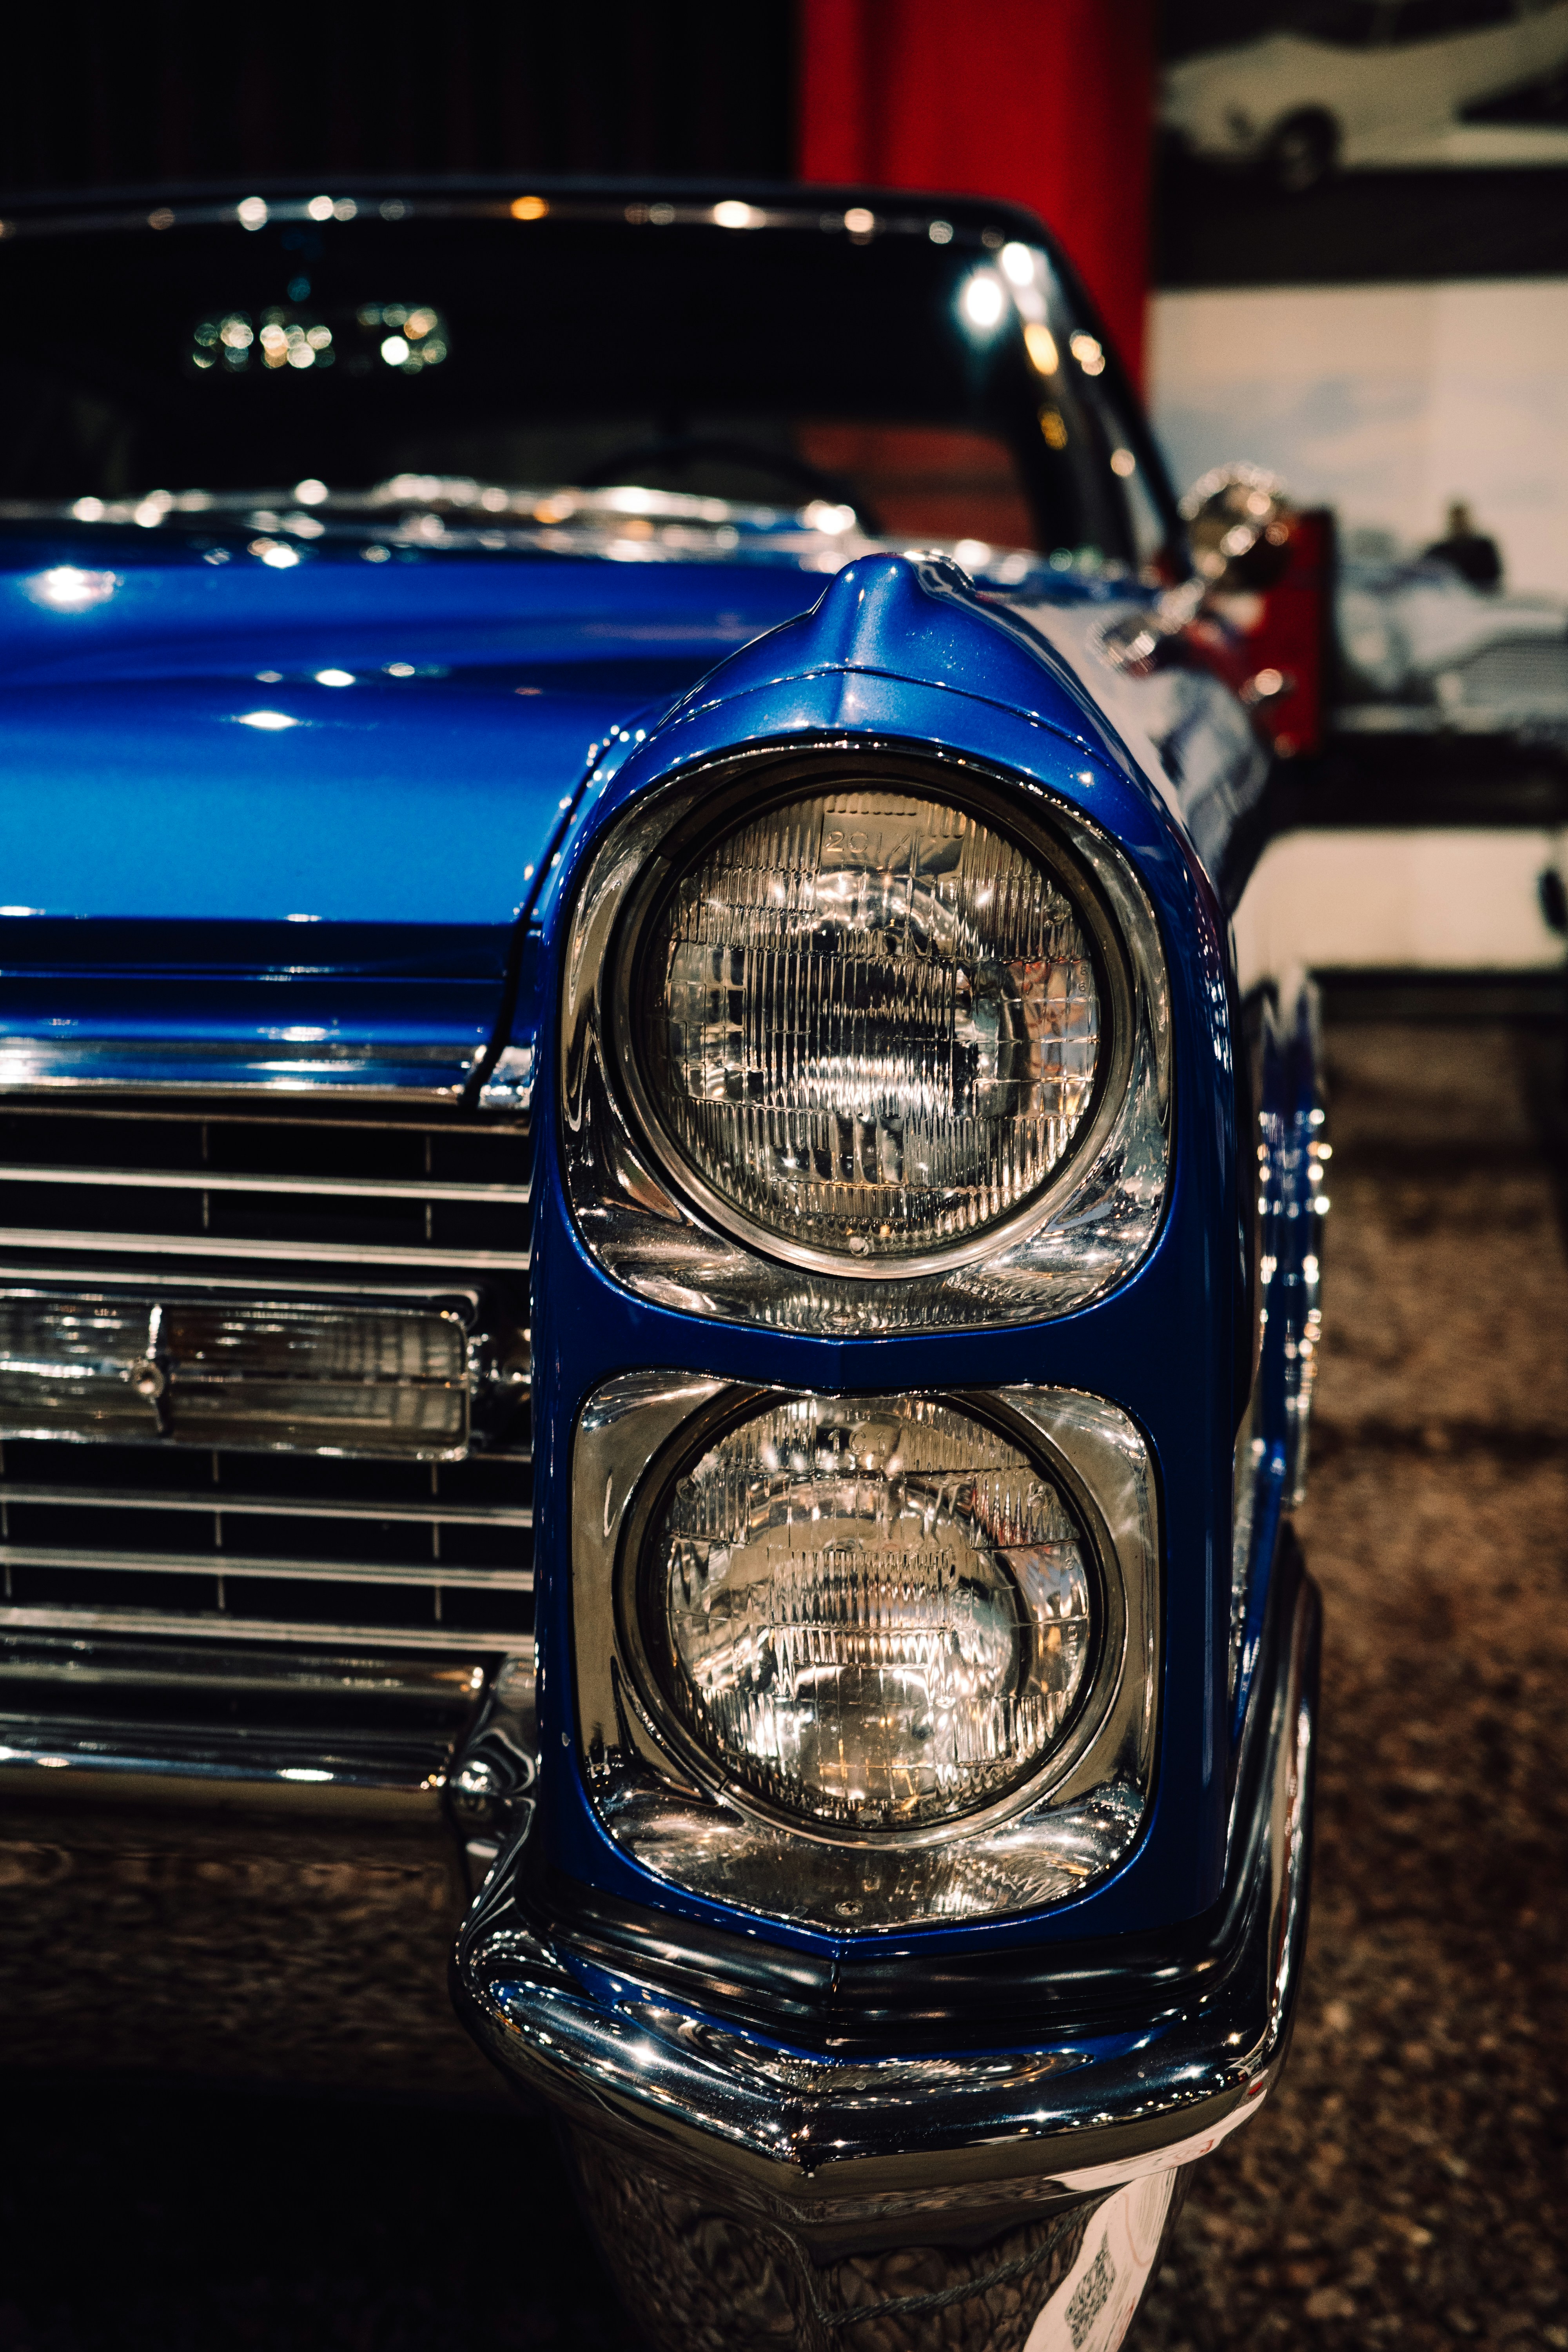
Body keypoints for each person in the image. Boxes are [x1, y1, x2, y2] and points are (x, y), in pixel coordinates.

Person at [1424, 500, 1503, 592]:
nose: (1459, 524)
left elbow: (1494, 580)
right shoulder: (1438, 551)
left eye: (1462, 519)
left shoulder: (1484, 548)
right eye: (1456, 520)